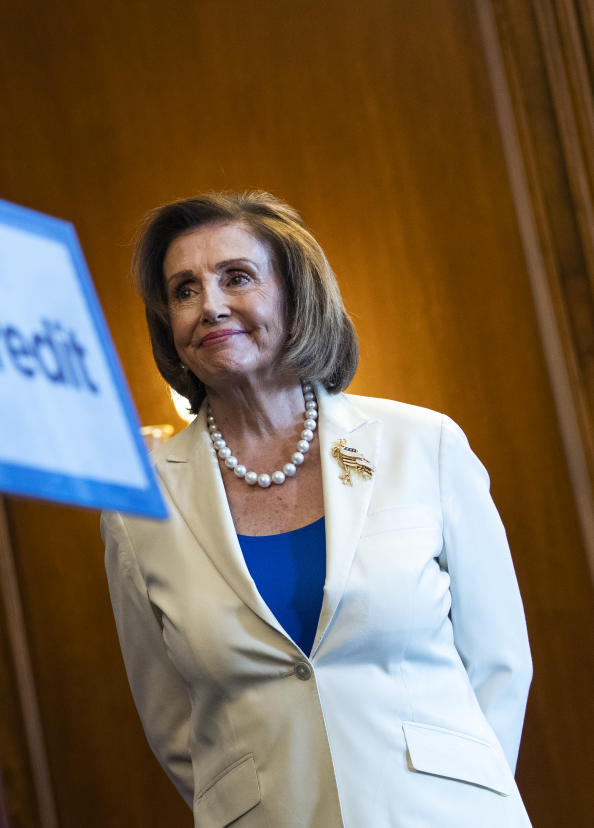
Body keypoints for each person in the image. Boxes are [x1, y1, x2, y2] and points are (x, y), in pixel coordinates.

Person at [102, 192, 532, 827]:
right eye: (184, 290)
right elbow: (173, 725)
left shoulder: (424, 444)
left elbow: (499, 660)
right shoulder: (137, 505)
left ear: (294, 293)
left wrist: (470, 795)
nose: (211, 305)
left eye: (237, 277)